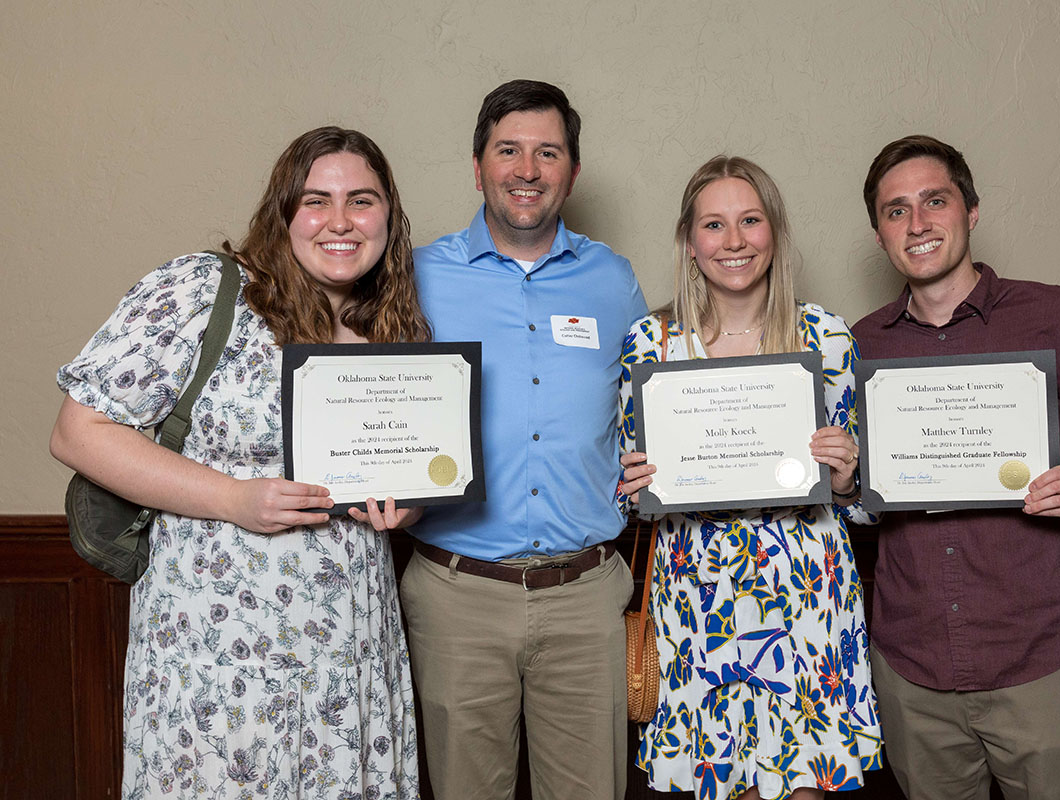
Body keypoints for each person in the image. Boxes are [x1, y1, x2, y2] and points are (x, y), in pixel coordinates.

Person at [50, 126, 427, 799]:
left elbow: (412, 466)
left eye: (362, 201)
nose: (339, 221)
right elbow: (80, 432)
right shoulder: (207, 290)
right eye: (316, 200)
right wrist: (231, 498)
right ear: (282, 214)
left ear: (389, 219)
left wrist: (410, 500)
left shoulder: (392, 326)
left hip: (348, 652)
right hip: (219, 651)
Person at [852, 135, 1060, 800]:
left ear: (971, 210)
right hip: (913, 662)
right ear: (879, 234)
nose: (919, 223)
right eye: (896, 210)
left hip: (1041, 656)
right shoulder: (858, 348)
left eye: (935, 201)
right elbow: (853, 488)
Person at [402, 79, 648, 800]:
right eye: (508, 150)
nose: (527, 169)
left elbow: (645, 404)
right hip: (458, 594)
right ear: (477, 166)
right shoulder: (415, 276)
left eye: (548, 152)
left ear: (573, 171)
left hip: (588, 595)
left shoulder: (613, 279)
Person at [619, 156, 883, 800]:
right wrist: (631, 485)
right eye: (714, 224)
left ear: (775, 232)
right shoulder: (649, 345)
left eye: (750, 221)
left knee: (805, 783)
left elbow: (863, 502)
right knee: (711, 782)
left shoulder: (828, 339)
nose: (733, 241)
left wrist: (848, 477)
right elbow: (628, 498)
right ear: (689, 240)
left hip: (805, 593)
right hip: (696, 595)